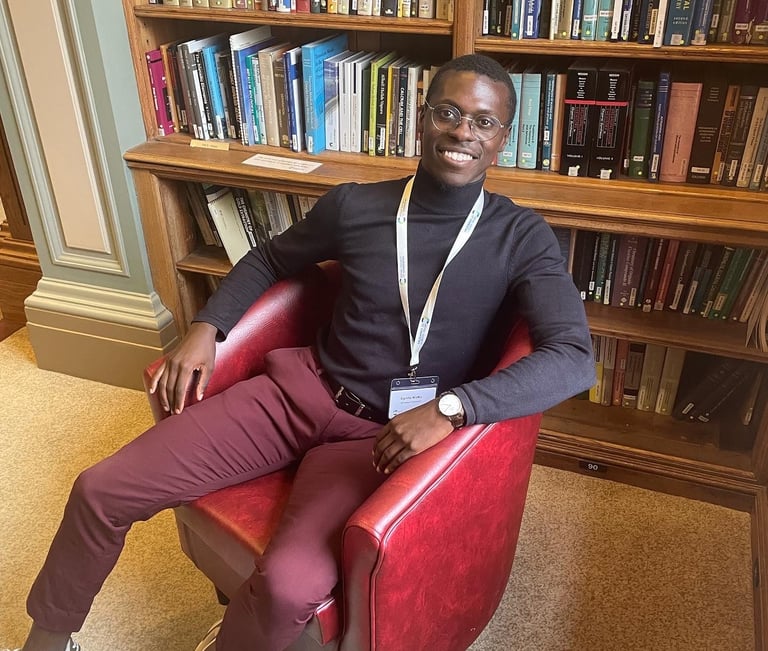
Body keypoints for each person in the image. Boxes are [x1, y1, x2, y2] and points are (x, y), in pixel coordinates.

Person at [8, 53, 595, 651]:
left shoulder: (521, 235)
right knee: (101, 488)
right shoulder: (356, 206)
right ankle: (49, 641)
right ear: (421, 119)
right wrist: (208, 325)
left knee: (290, 587)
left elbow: (573, 356)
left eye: (484, 121)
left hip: (381, 440)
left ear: (503, 139)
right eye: (449, 111)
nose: (463, 131)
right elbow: (269, 258)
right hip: (299, 393)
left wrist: (451, 409)